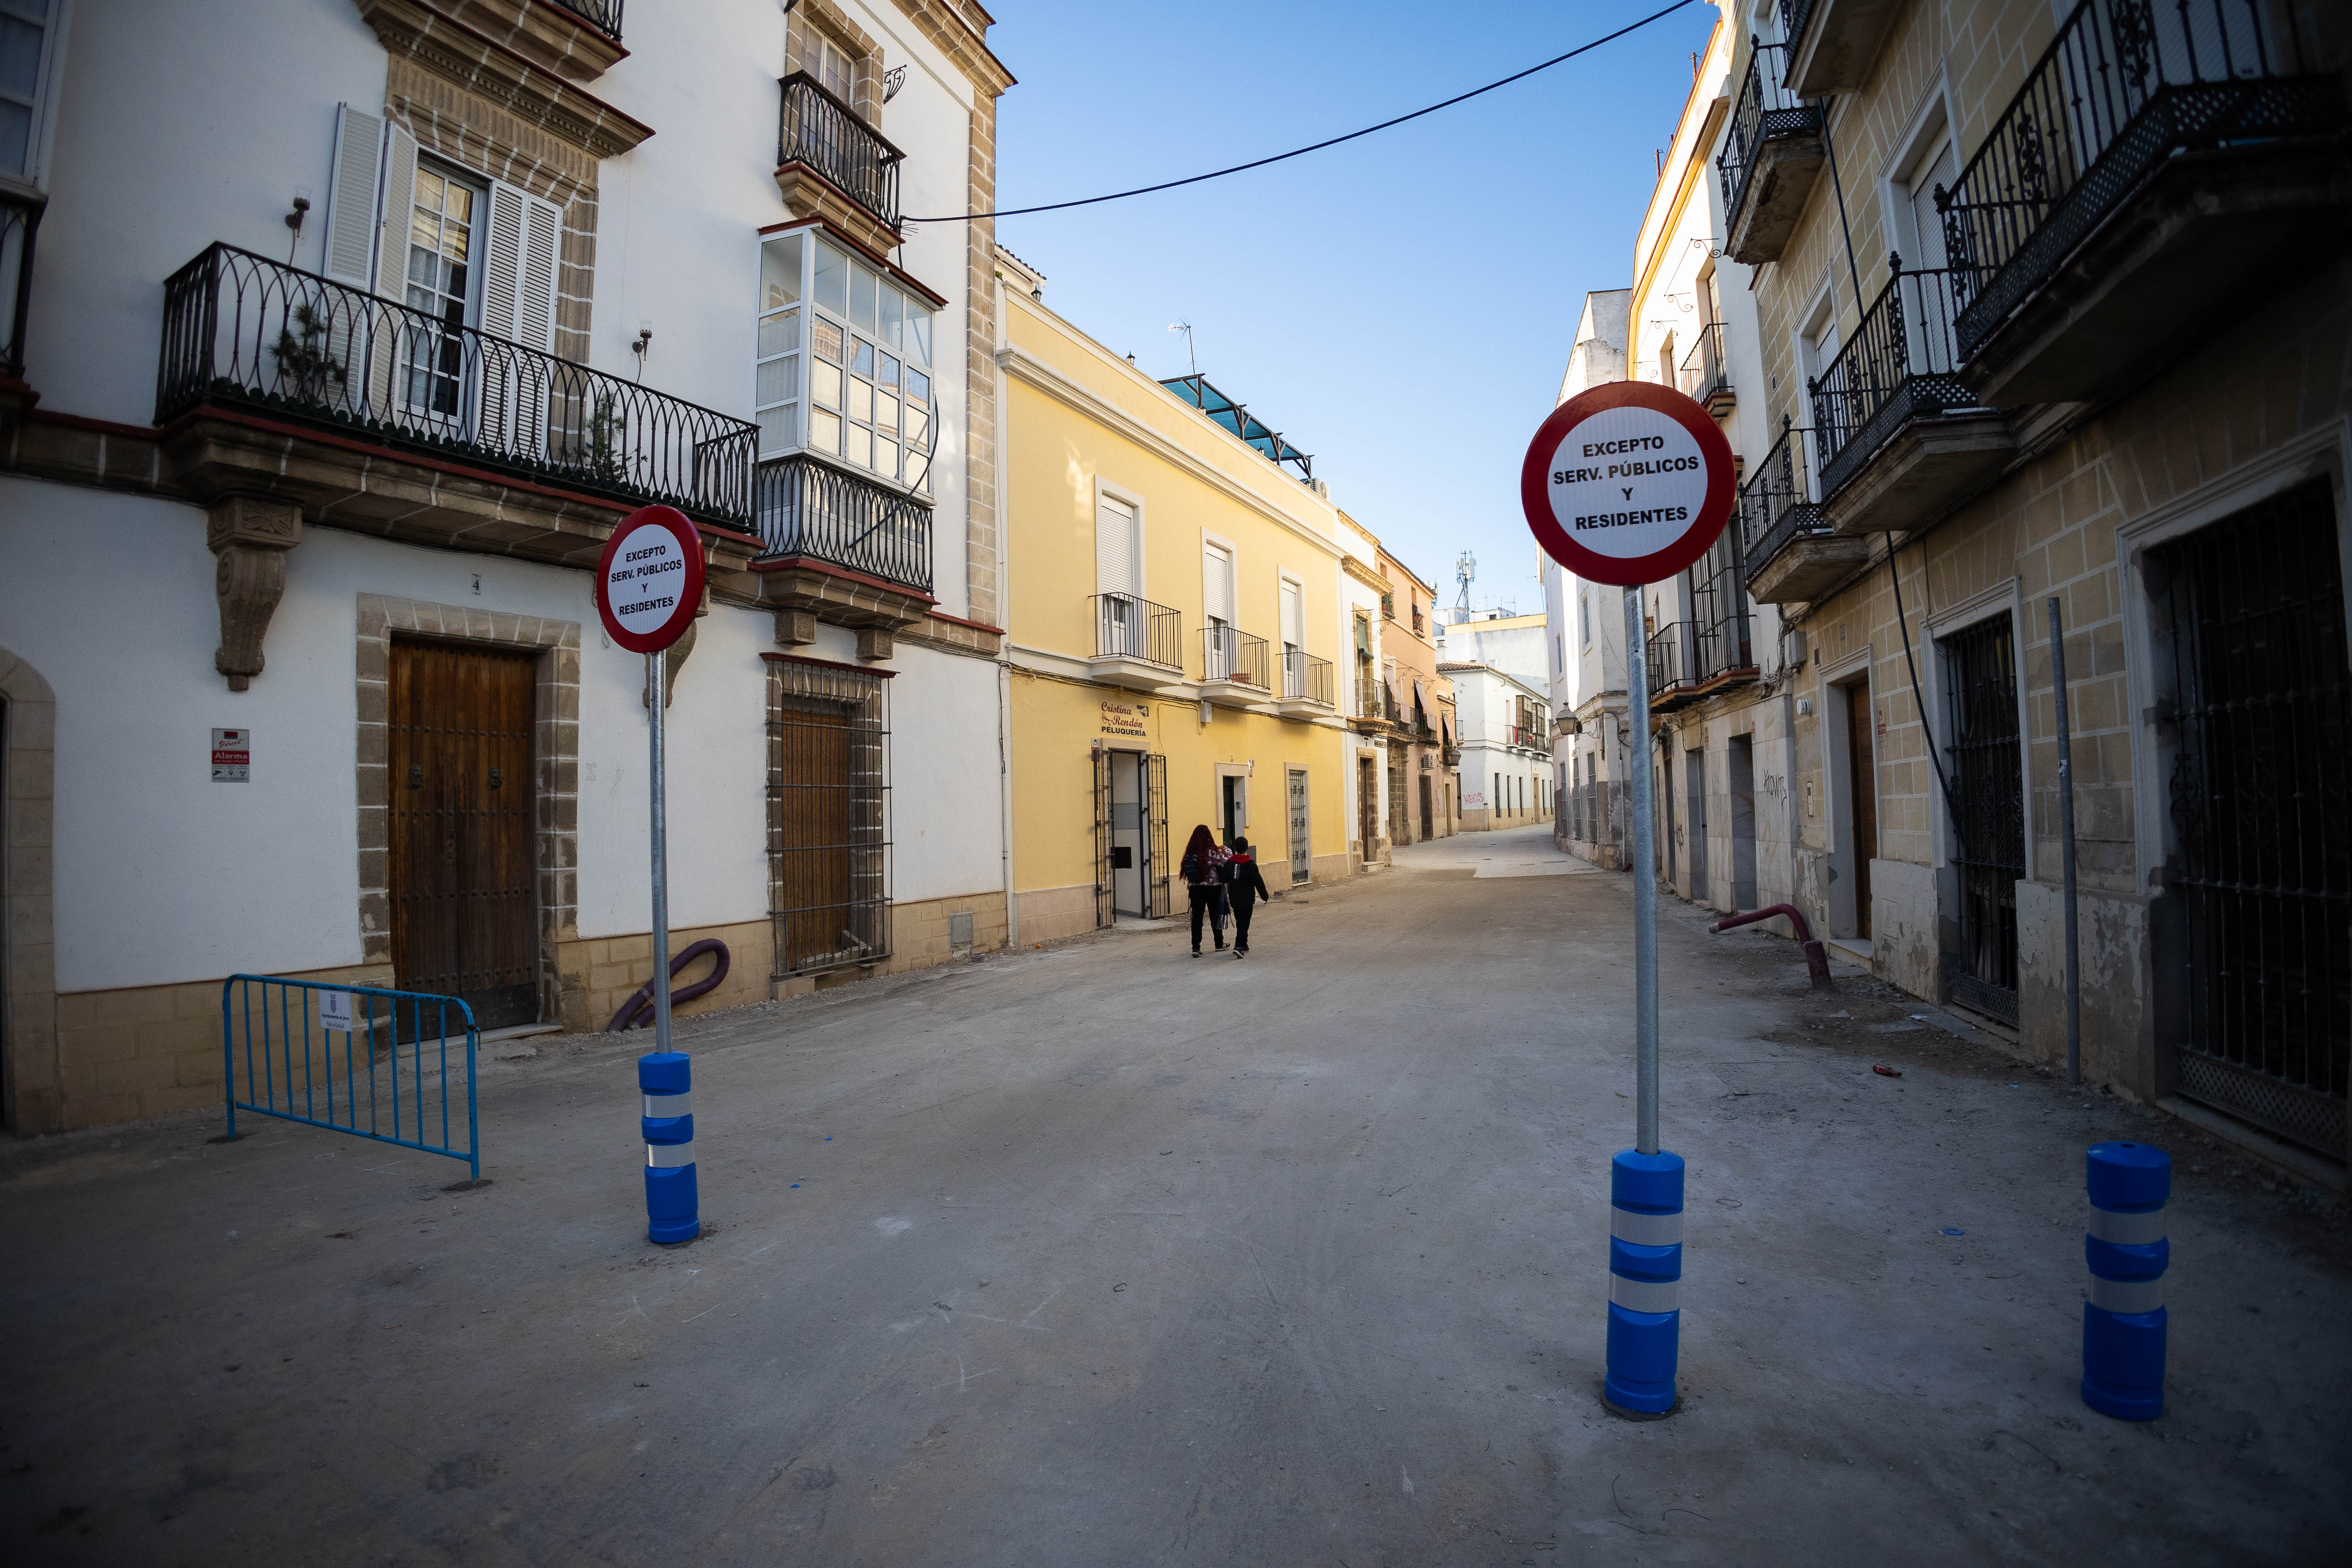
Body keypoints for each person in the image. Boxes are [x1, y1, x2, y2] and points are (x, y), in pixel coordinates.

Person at [1179, 823, 1229, 955]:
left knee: (1197, 919)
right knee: (1215, 916)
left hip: (1195, 889)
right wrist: (1228, 852)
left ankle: (1196, 947)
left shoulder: (1190, 852)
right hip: (1213, 888)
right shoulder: (1211, 851)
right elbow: (1226, 862)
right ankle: (1219, 943)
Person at [1225, 836, 1272, 958]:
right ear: (1248, 848)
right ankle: (1238, 947)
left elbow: (1224, 878)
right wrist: (1265, 896)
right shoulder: (1251, 865)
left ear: (1234, 848)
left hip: (1235, 899)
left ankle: (1244, 945)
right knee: (1244, 923)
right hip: (1247, 900)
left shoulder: (1230, 864)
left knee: (1241, 922)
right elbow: (1259, 882)